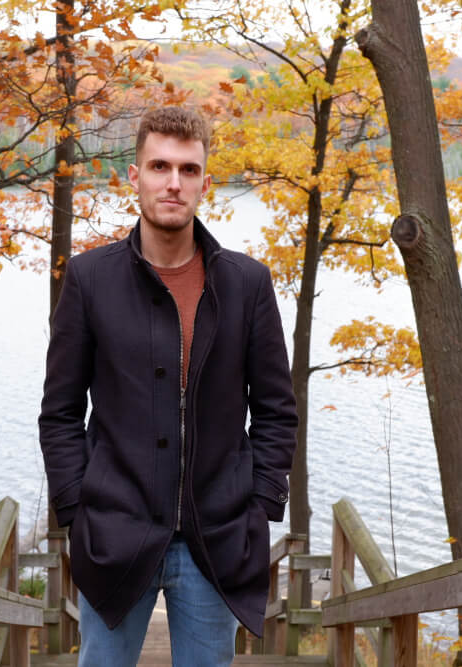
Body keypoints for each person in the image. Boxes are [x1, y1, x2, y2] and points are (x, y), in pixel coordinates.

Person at [39, 106, 298, 667]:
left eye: (187, 169)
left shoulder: (247, 284)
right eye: (159, 166)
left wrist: (260, 506)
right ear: (135, 177)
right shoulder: (89, 279)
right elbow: (60, 411)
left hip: (217, 540)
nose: (173, 183)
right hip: (114, 534)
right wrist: (75, 508)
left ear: (206, 181)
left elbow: (276, 411)